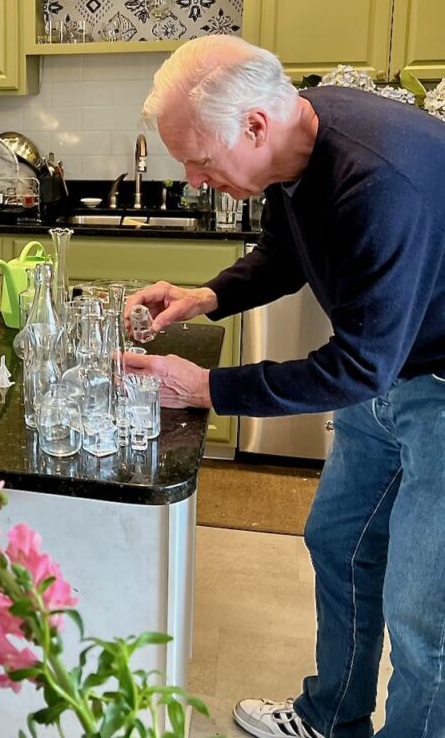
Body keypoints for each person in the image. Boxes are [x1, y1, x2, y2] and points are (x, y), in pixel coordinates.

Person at [123, 36, 445, 738]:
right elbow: (285, 252)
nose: (195, 181)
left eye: (201, 161)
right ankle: (332, 716)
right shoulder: (301, 141)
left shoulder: (380, 182)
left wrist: (206, 387)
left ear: (254, 127)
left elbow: (358, 367)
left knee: (427, 615)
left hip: (437, 387)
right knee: (339, 541)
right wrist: (204, 295)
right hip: (393, 370)